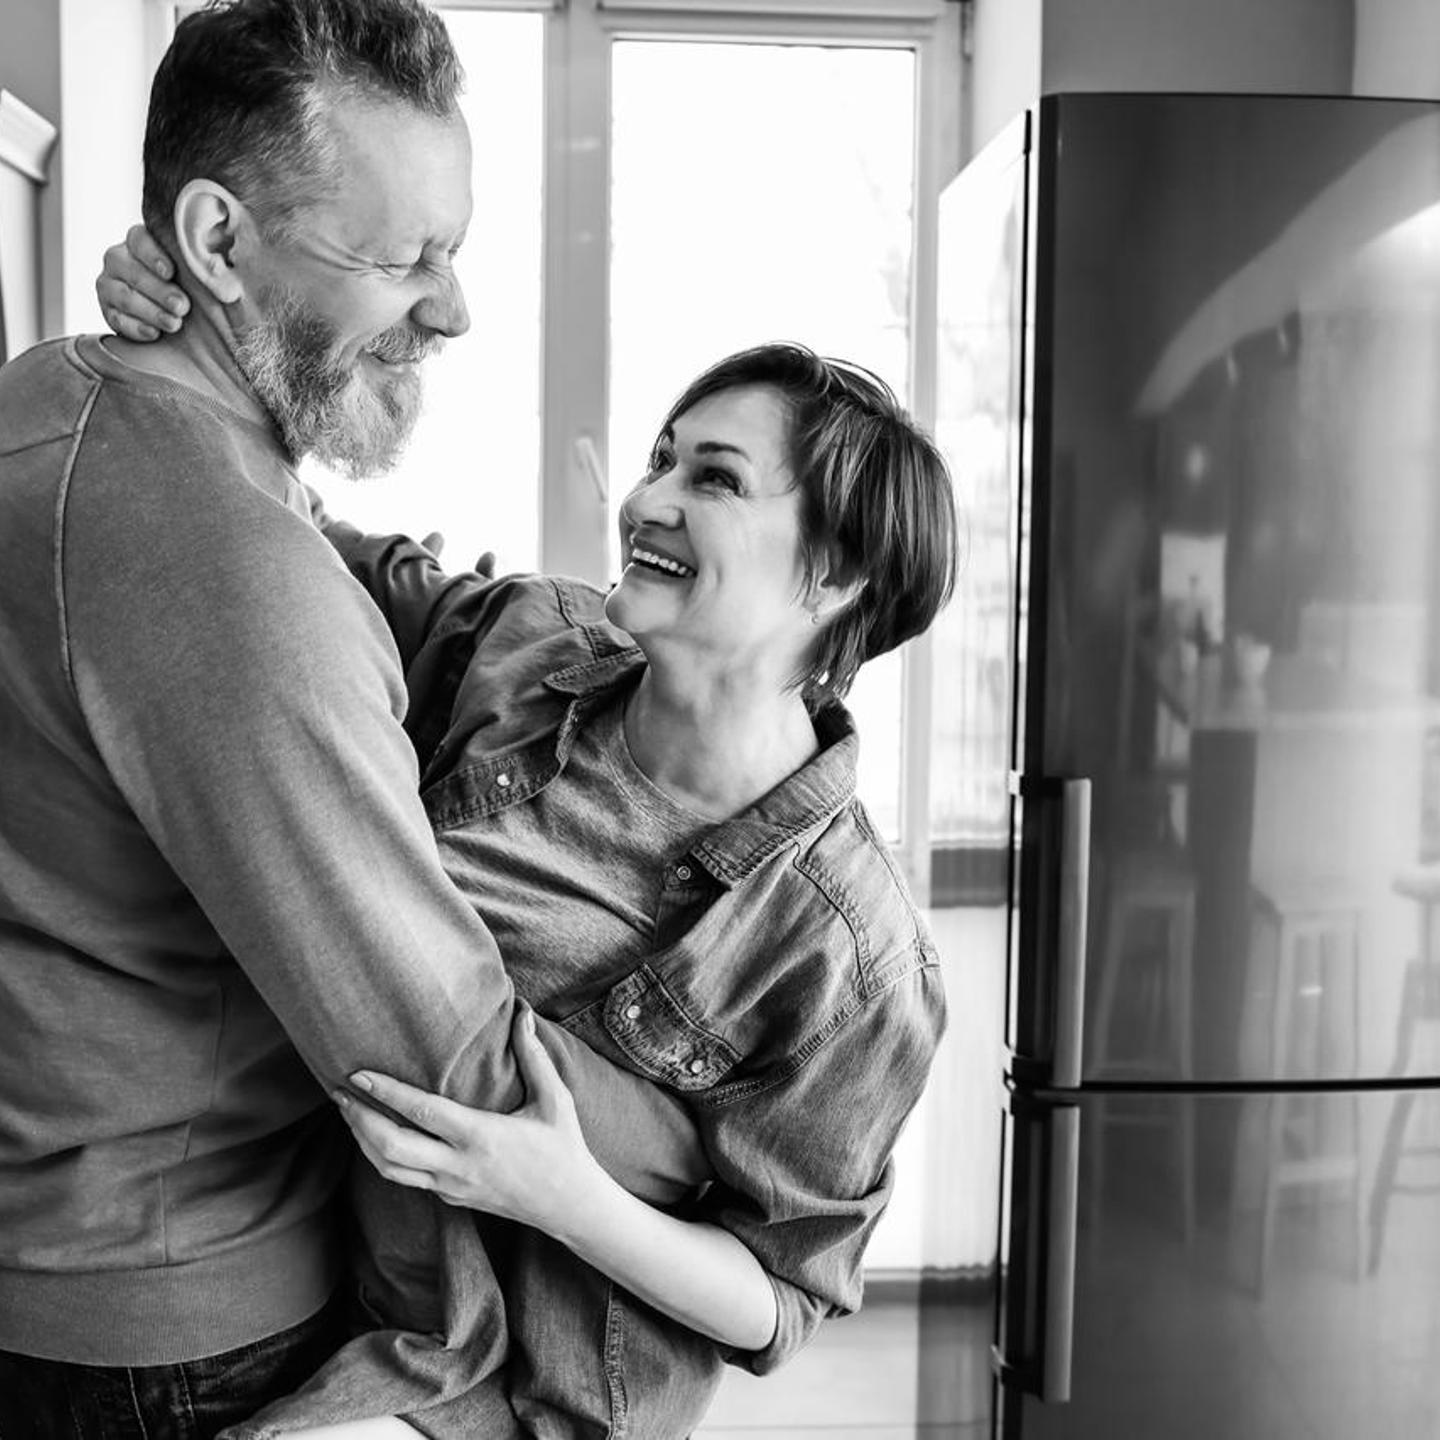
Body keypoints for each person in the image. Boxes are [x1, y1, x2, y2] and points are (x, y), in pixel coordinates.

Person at [0, 3, 707, 1437]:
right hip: (179, 1338)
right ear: (216, 241)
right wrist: (729, 1148)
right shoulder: (229, 574)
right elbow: (439, 1065)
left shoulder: (54, 395)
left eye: (455, 251)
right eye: (403, 261)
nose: (452, 310)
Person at [113, 235, 959, 1429]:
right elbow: (280, 541)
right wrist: (196, 329)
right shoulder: (526, 646)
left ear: (836, 572)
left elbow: (781, 1300)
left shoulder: (856, 956)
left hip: (526, 1393)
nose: (645, 499)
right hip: (320, 1274)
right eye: (663, 458)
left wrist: (562, 1193)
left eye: (713, 480)